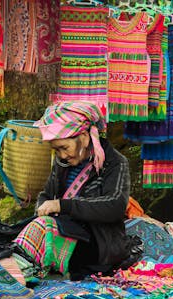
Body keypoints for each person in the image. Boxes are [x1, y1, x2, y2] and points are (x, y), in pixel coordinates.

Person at [14, 101, 132, 280]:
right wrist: (43, 208)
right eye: (56, 150)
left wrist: (63, 206)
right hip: (67, 233)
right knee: (33, 228)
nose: (61, 155)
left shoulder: (115, 163)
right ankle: (17, 272)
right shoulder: (62, 163)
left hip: (99, 245)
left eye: (64, 148)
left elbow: (114, 205)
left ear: (84, 137)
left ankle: (14, 277)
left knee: (42, 229)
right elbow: (47, 195)